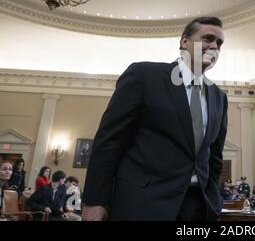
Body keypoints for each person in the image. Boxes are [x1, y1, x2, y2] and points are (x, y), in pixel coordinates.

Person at [82, 17, 228, 221]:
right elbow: (109, 140)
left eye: (219, 43)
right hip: (142, 205)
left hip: (196, 209)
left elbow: (214, 158)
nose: (214, 46)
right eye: (208, 38)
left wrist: (213, 202)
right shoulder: (144, 76)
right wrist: (94, 201)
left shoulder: (219, 97)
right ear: (185, 42)